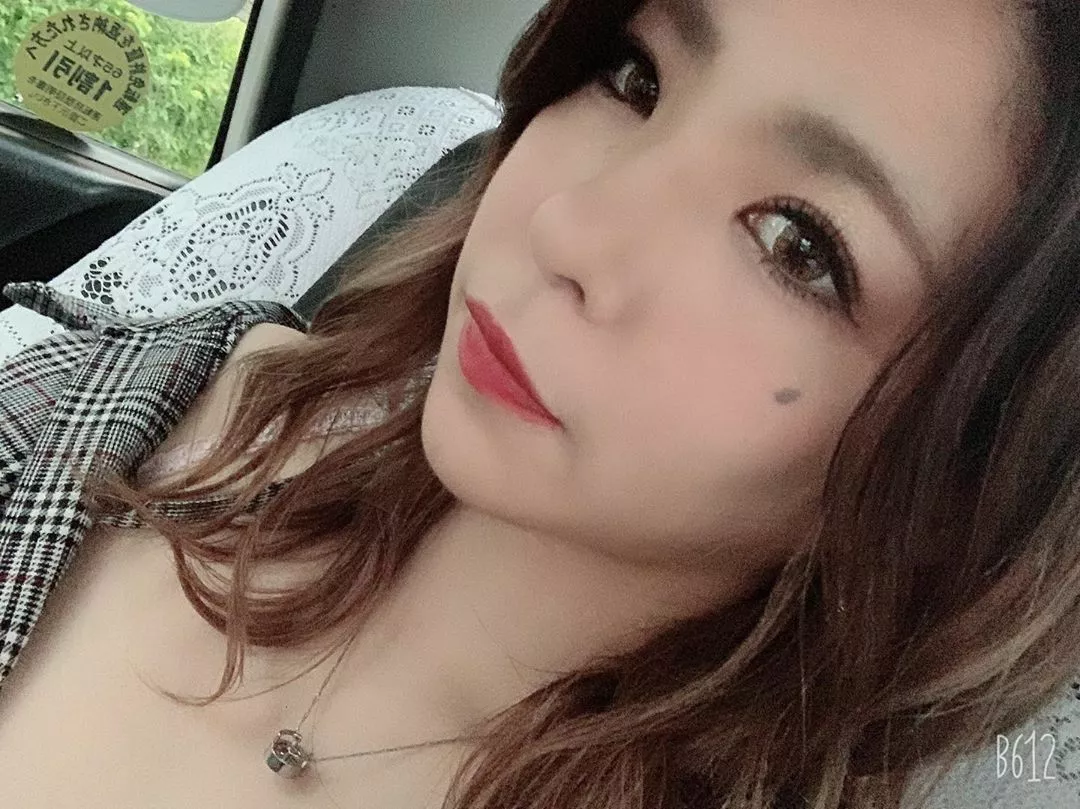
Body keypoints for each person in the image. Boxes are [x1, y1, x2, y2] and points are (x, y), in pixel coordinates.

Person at [1, 0, 1078, 806]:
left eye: (797, 244)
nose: (568, 225)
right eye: (635, 79)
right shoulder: (141, 398)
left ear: (974, 469)